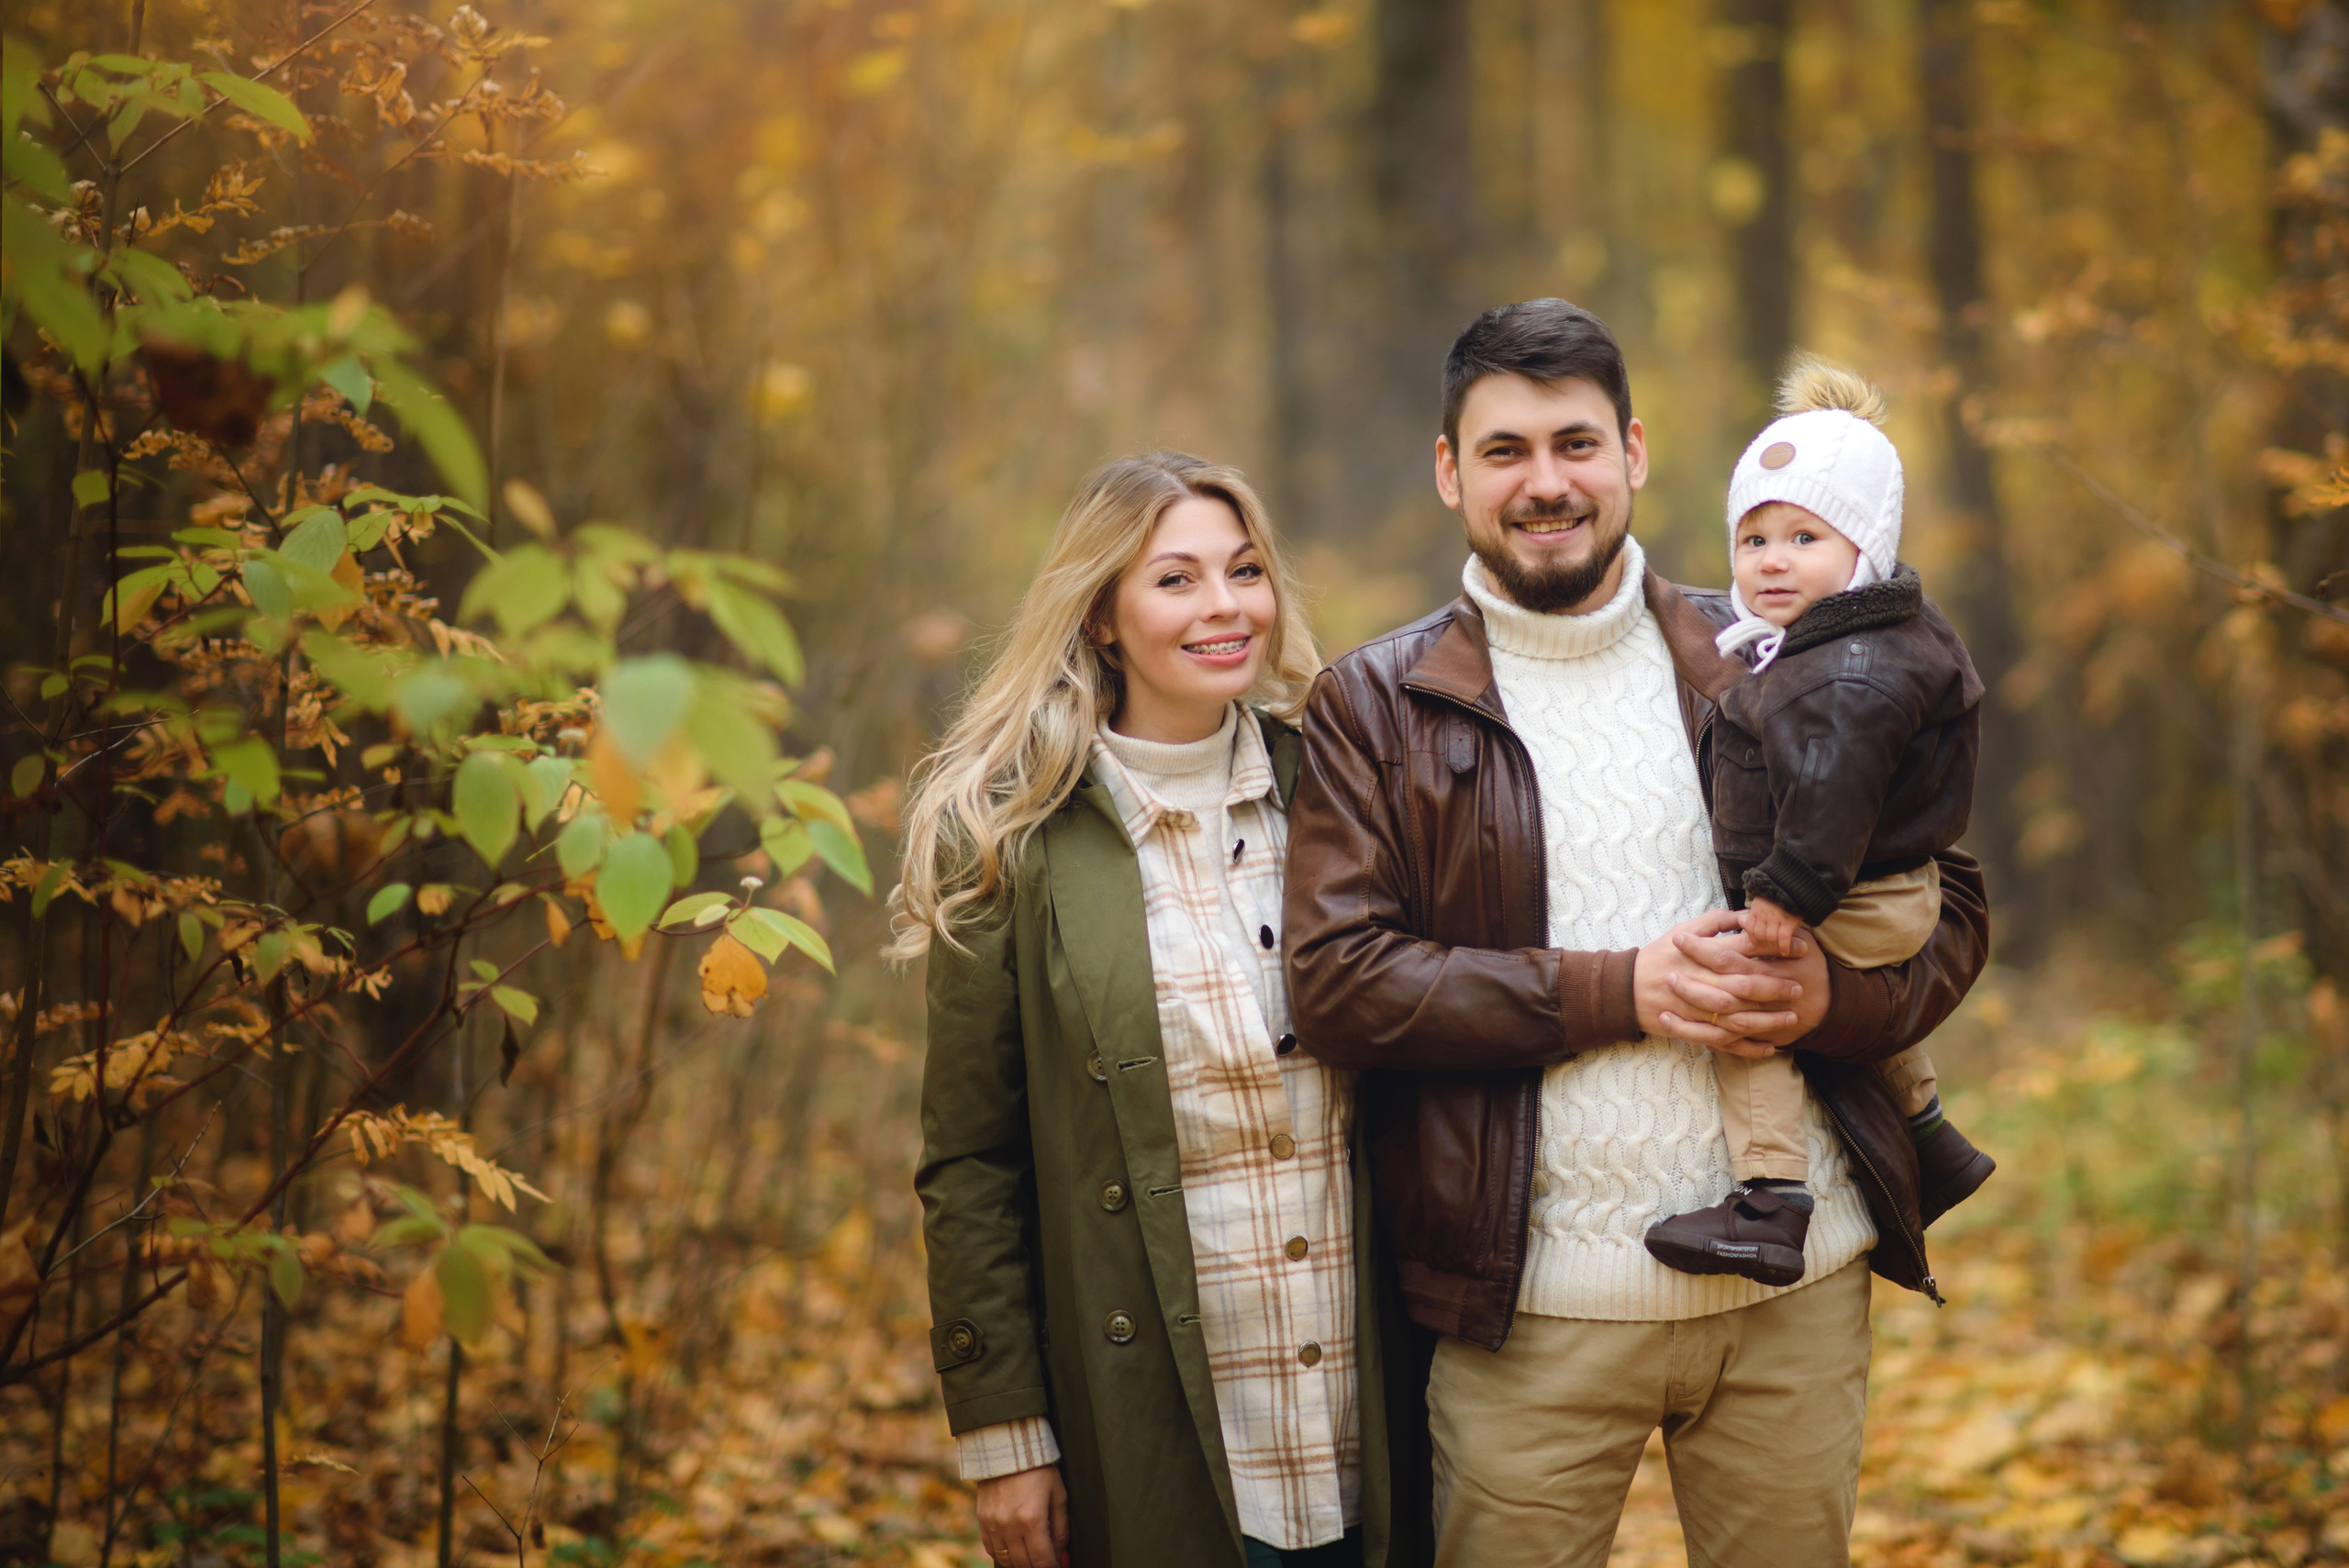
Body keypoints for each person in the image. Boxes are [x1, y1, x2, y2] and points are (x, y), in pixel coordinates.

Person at [1282, 299, 1989, 1567]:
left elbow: (1951, 896)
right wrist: (1624, 990)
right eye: (1504, 450)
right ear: (1448, 470)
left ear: (1634, 453)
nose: (1545, 482)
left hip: (1793, 1295)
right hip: (1531, 1310)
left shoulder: (1771, 649)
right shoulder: (1376, 704)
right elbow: (1339, 984)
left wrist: (1832, 1003)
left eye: (1576, 443)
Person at [896, 452, 1432, 1568]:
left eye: (1245, 570)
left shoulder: (1344, 789)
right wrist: (1005, 1436)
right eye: (1176, 579)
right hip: (1160, 1412)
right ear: (1101, 615)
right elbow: (972, 1160)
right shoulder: (1006, 838)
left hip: (1373, 1402)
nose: (1224, 605)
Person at [1642, 357, 1998, 1290]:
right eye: (1753, 538)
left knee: (1747, 1002)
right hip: (1892, 884)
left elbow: (1829, 795)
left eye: (1804, 536)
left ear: (1865, 547)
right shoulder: (1864, 634)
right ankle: (1930, 1135)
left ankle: (1768, 1199)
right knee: (1852, 987)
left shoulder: (1845, 676)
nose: (1772, 559)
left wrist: (1784, 898)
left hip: (1847, 888)